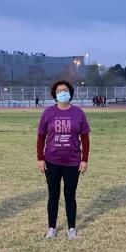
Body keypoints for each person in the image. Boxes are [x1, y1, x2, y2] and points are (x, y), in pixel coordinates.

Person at [37, 80, 90, 239]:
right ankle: (52, 228)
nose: (62, 93)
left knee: (70, 195)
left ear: (70, 92)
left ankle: (71, 228)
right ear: (54, 94)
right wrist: (40, 158)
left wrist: (84, 159)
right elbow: (41, 137)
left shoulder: (78, 113)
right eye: (59, 91)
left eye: (65, 90)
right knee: (53, 195)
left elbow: (85, 138)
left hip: (72, 162)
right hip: (52, 160)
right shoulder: (48, 113)